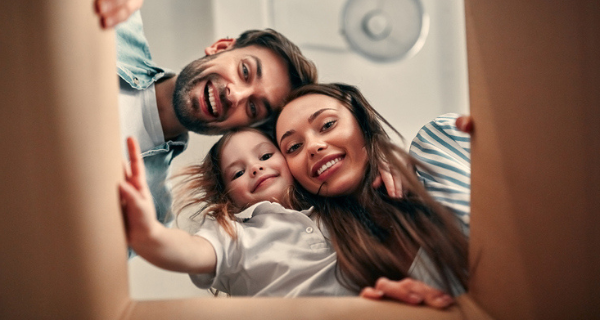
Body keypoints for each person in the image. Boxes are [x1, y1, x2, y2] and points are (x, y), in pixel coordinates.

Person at [119, 130, 454, 307]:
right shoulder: (235, 231)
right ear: (228, 197)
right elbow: (192, 250)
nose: (255, 167)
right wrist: (151, 236)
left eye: (266, 155)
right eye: (237, 172)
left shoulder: (330, 208)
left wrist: (387, 164)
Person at [94, 2, 318, 248]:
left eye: (253, 108)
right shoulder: (119, 24)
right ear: (220, 47)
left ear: (243, 128)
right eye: (245, 71)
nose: (235, 95)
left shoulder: (150, 208)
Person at [275, 83, 469, 300]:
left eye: (328, 124)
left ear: (363, 123)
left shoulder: (440, 141)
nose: (312, 146)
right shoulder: (332, 269)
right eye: (293, 147)